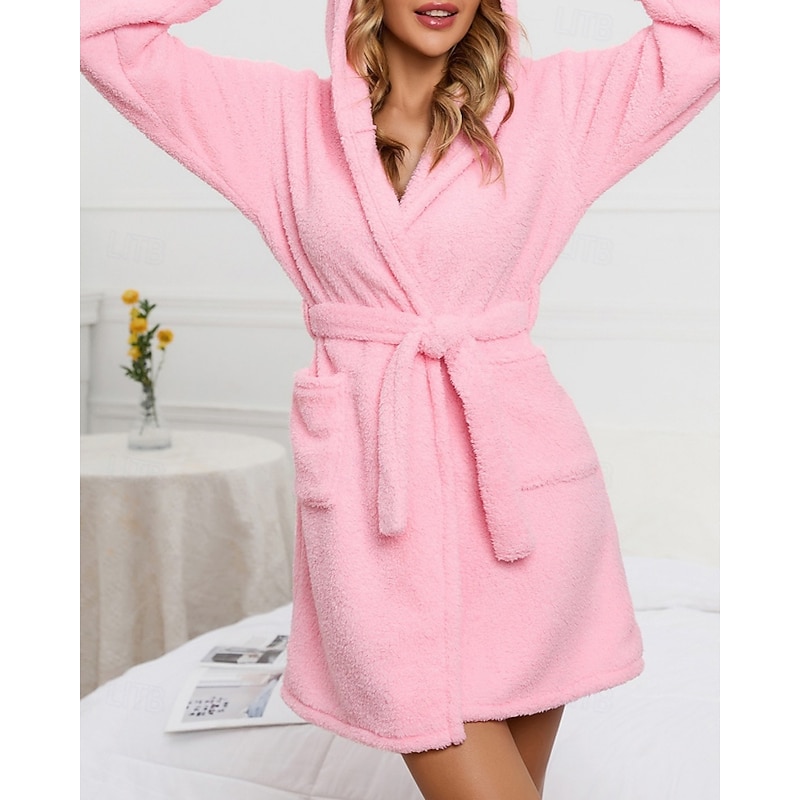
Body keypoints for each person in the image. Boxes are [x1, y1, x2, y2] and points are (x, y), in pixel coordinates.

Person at [80, 1, 719, 797]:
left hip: (523, 511)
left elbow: (713, 32)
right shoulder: (283, 123)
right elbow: (95, 31)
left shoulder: (552, 109)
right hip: (378, 518)